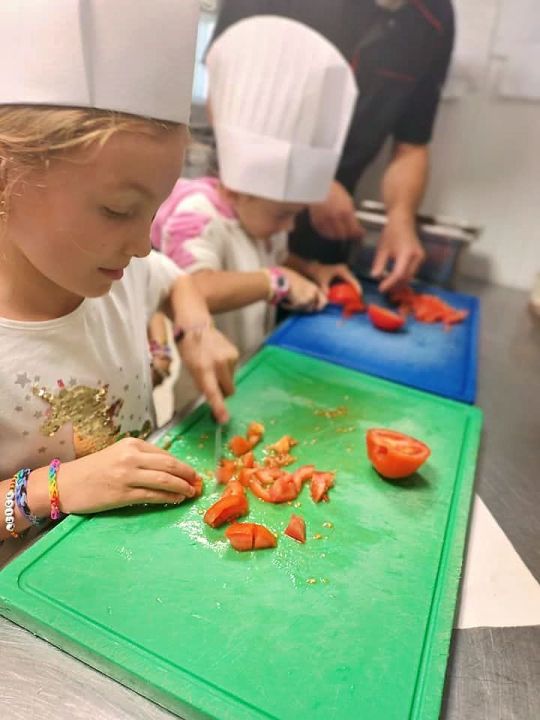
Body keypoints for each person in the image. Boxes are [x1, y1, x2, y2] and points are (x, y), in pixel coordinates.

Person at [0, 0, 239, 545]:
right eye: (118, 210)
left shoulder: (117, 272)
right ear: (6, 172)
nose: (142, 243)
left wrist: (196, 328)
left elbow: (174, 279)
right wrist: (54, 488)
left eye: (153, 210)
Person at [151, 16, 359, 394]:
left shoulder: (260, 219)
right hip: (202, 390)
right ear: (234, 191)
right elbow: (194, 287)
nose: (289, 227)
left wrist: (312, 268)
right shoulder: (197, 215)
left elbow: (275, 258)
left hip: (252, 371)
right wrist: (277, 281)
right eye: (283, 215)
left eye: (295, 215)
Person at [210, 0, 455, 292]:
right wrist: (312, 179)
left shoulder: (436, 15)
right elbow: (223, 90)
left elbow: (411, 146)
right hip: (246, 200)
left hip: (327, 227)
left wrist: (401, 217)